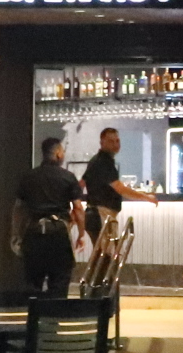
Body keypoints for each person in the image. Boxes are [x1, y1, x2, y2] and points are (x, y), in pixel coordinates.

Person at [11, 136, 85, 296]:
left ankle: (35, 310)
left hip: (34, 233)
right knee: (59, 281)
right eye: (62, 151)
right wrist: (81, 234)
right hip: (59, 234)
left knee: (33, 283)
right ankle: (55, 310)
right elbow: (78, 208)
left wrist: (16, 234)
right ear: (58, 153)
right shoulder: (68, 177)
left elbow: (19, 209)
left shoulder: (28, 177)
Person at [81, 127, 156, 251]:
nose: (115, 144)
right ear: (102, 143)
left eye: (117, 141)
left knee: (101, 254)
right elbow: (120, 188)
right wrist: (146, 197)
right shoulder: (104, 162)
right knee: (107, 256)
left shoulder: (96, 160)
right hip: (101, 213)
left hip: (93, 213)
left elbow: (82, 183)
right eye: (111, 141)